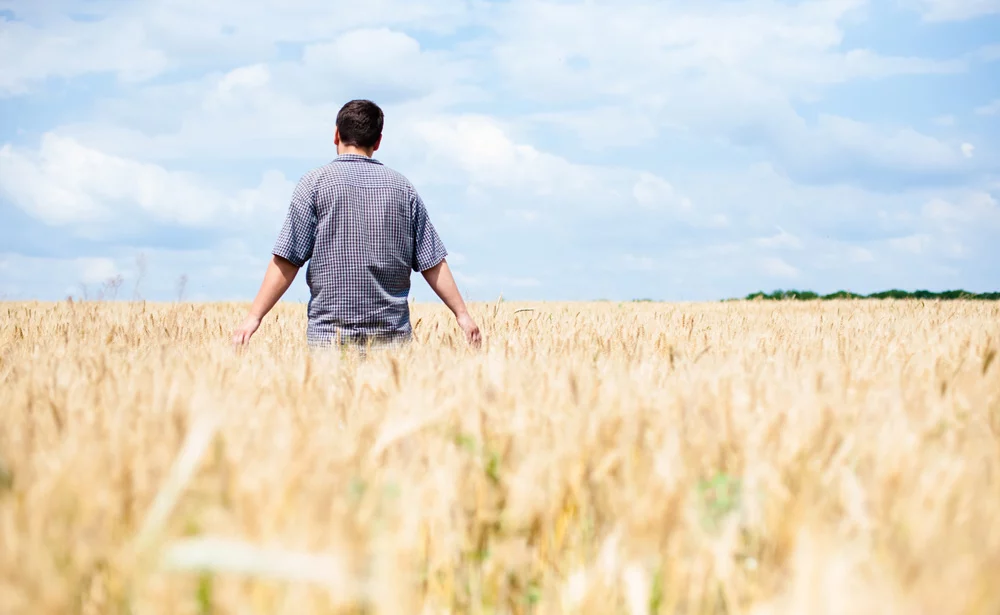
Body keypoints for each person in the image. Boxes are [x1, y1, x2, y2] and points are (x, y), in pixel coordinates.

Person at [231, 99, 481, 350]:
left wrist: (254, 317)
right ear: (378, 141)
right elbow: (432, 262)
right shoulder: (403, 189)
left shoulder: (314, 184)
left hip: (329, 338)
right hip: (392, 340)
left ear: (336, 134)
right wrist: (462, 314)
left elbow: (287, 259)